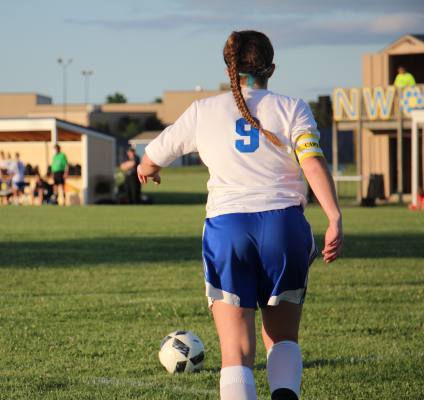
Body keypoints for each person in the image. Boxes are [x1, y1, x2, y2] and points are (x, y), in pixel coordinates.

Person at [137, 31, 343, 400]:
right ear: (272, 68)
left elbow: (150, 158)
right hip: (284, 227)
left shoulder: (203, 110)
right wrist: (334, 217)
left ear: (229, 68)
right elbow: (311, 162)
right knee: (282, 338)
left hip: (228, 229)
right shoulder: (292, 107)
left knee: (236, 353)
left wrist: (148, 170)